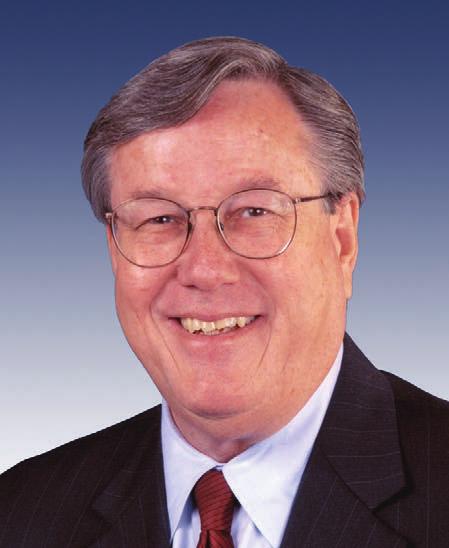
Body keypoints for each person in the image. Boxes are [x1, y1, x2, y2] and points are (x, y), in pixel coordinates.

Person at [0, 36, 448, 548]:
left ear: (342, 238)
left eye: (254, 211)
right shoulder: (21, 514)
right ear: (114, 249)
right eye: (159, 218)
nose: (205, 270)